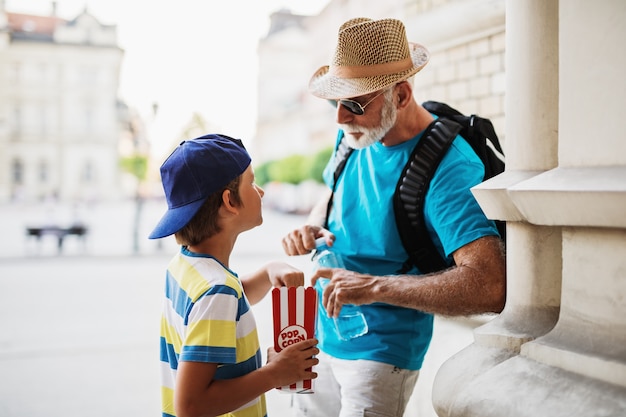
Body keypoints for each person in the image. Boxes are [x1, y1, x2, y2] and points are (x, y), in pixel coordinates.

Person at [281, 18, 506, 417]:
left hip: (381, 353)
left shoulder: (450, 168)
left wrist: (374, 287)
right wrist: (313, 226)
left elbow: (489, 284)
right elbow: (333, 195)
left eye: (353, 104)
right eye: (336, 103)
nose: (339, 118)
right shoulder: (356, 133)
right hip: (319, 338)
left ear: (400, 95)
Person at [149, 134, 319, 417]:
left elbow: (221, 309)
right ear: (230, 201)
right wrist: (275, 373)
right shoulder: (218, 290)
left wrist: (267, 273)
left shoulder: (186, 267)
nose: (261, 191)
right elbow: (191, 406)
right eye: (251, 182)